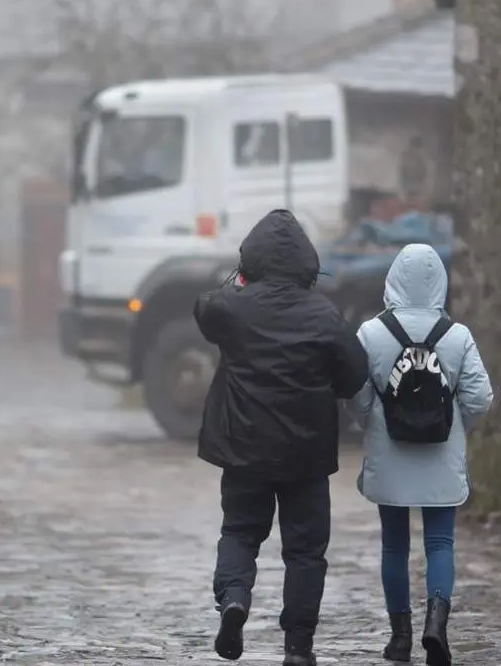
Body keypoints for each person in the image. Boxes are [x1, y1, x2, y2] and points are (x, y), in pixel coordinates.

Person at [194, 209, 368, 666]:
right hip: (306, 455)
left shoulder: (231, 308)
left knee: (239, 532)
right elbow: (354, 376)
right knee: (306, 551)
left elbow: (204, 307)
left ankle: (235, 598)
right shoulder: (326, 316)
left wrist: (237, 283)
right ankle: (298, 646)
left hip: (244, 449)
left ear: (250, 258)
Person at [347, 244, 493, 666]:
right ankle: (436, 626)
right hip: (440, 455)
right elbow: (480, 397)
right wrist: (457, 427)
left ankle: (400, 638)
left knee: (394, 545)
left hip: (389, 454)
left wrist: (371, 422)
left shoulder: (370, 333)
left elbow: (356, 395)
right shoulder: (457, 335)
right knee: (440, 542)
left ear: (392, 278)